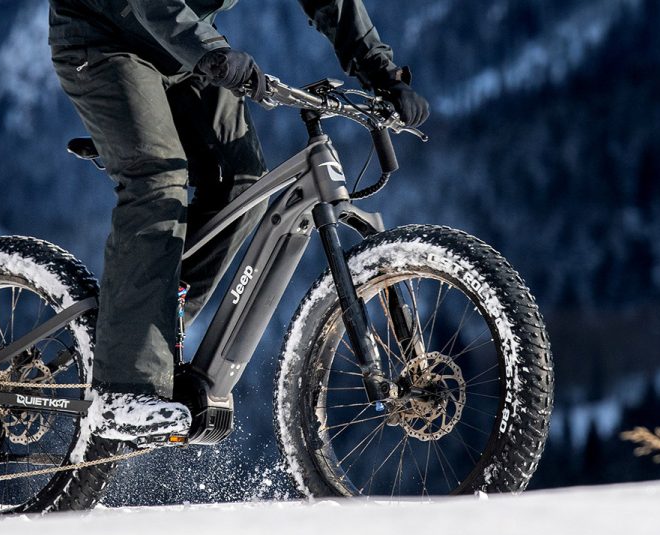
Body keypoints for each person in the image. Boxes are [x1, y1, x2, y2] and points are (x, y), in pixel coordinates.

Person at [48, 0, 429, 443]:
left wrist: (381, 72)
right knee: (158, 179)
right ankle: (124, 390)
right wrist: (209, 49)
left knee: (243, 181)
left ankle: (149, 331)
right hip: (102, 41)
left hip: (178, 45)